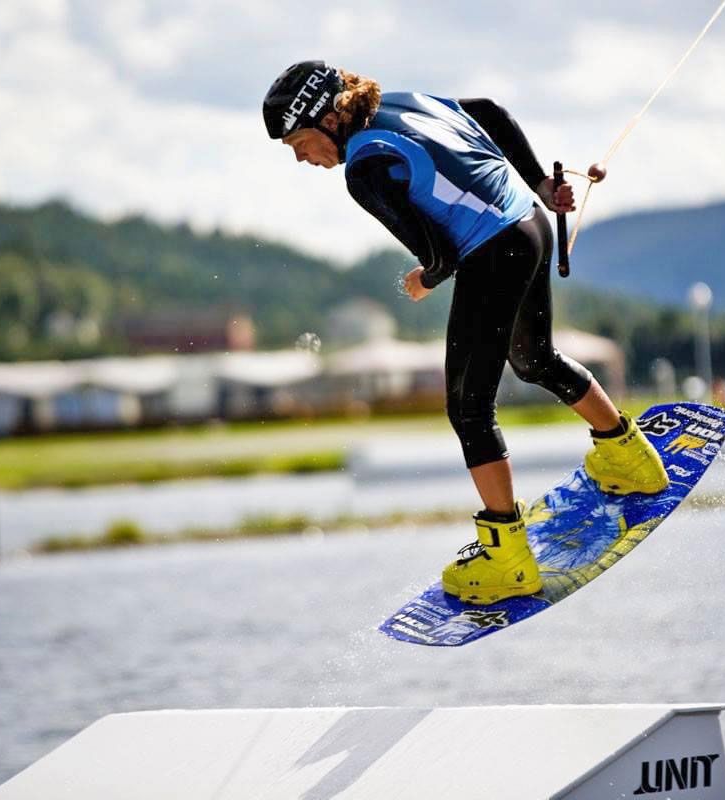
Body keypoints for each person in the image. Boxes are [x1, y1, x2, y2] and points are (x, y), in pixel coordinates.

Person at [263, 61, 669, 605]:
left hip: (492, 253)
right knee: (536, 359)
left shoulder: (364, 168)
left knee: (468, 408)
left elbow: (442, 253)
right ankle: (630, 458)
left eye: (299, 142)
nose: (300, 158)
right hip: (530, 224)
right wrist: (543, 184)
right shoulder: (405, 101)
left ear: (330, 119)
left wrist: (421, 279)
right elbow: (488, 113)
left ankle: (507, 557)